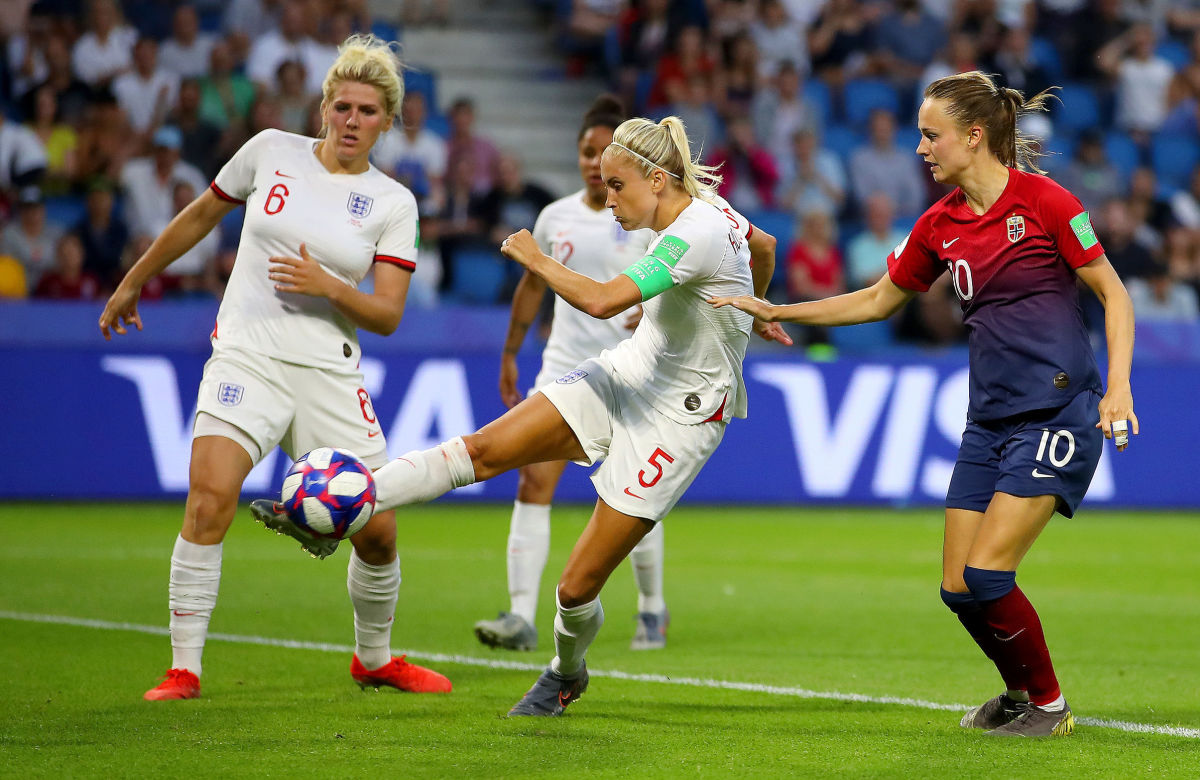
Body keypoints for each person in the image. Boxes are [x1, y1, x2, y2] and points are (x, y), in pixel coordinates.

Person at [275, 114, 791, 716]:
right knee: (482, 451)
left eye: (617, 186)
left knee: (574, 591)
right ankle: (341, 511)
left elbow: (601, 301)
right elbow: (764, 246)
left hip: (682, 419)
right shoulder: (711, 212)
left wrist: (533, 256)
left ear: (654, 178)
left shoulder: (693, 232)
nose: (610, 201)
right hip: (628, 371)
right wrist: (755, 307)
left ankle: (566, 672)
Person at [711, 71, 1137, 737]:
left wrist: (1119, 387)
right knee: (959, 589)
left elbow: (1114, 293)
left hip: (1055, 413)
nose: (919, 148)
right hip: (987, 420)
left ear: (973, 137)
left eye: (930, 135)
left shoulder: (1047, 203)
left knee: (989, 572)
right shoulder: (939, 226)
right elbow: (879, 299)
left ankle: (1048, 707)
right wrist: (778, 307)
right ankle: (1018, 693)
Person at [97, 33, 452, 702]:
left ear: (387, 121)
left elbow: (386, 315)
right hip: (248, 355)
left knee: (379, 532)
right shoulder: (269, 152)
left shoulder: (393, 203)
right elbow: (202, 213)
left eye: (368, 112)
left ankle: (372, 659)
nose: (352, 121)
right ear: (323, 107)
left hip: (329, 371)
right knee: (208, 500)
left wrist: (329, 285)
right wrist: (134, 279)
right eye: (343, 106)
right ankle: (184, 669)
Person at [471, 96, 669, 654]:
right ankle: (518, 615)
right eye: (586, 152)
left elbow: (680, 277)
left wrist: (654, 308)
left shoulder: (649, 218)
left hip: (636, 371)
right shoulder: (555, 217)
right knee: (534, 480)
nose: (591, 162)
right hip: (564, 370)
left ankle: (652, 608)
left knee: (634, 496)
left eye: (603, 154)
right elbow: (532, 287)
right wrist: (512, 352)